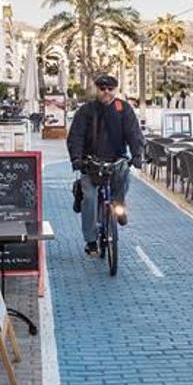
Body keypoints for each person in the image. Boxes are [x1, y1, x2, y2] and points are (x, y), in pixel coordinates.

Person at [67, 74, 145, 256]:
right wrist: (77, 159)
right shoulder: (86, 111)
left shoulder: (123, 109)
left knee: (124, 176)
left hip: (116, 160)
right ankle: (91, 240)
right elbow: (75, 136)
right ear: (97, 90)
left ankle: (119, 206)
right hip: (90, 162)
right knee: (90, 198)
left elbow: (134, 134)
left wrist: (137, 156)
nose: (106, 93)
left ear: (115, 90)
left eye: (110, 89)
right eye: (102, 89)